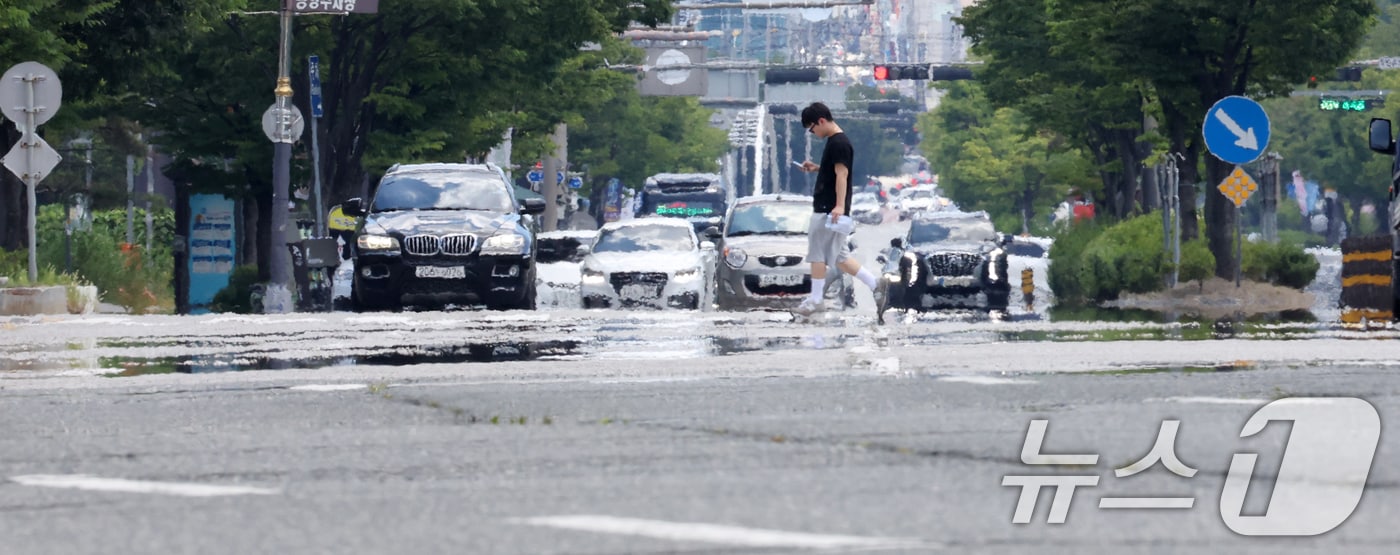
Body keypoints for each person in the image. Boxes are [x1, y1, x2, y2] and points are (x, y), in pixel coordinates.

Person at [793, 102, 883, 318]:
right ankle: (875, 285)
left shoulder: (838, 143)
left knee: (816, 254)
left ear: (821, 121)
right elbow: (834, 171)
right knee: (840, 257)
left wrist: (839, 205)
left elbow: (842, 175)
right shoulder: (836, 142)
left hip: (828, 209)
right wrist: (816, 168)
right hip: (832, 209)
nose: (813, 132)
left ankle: (815, 299)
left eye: (812, 127)